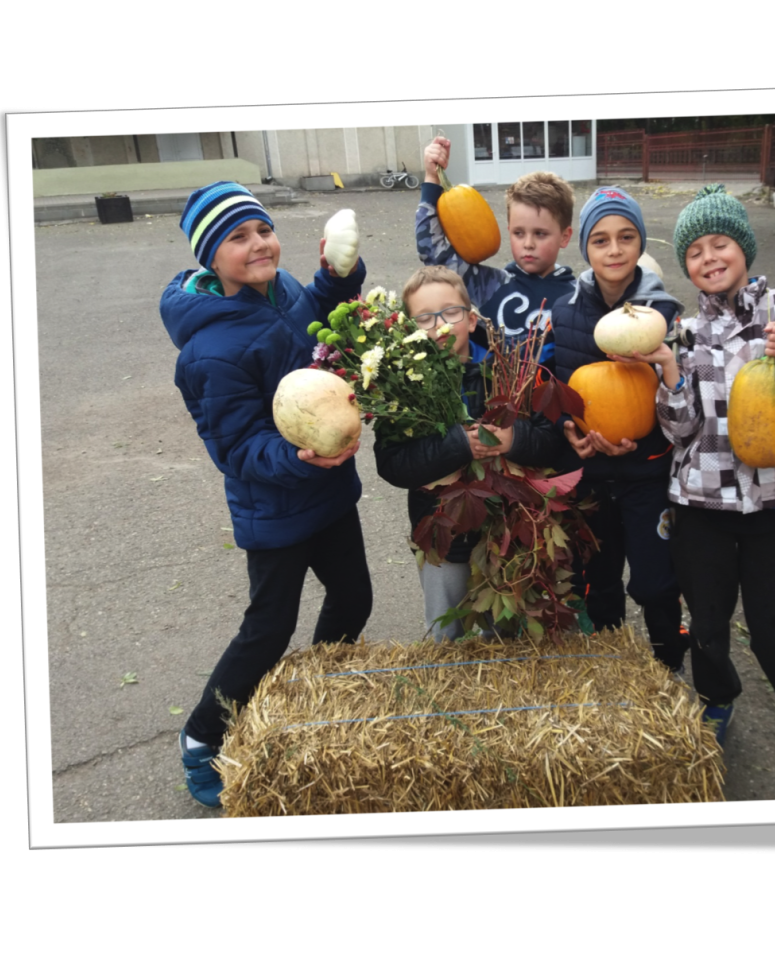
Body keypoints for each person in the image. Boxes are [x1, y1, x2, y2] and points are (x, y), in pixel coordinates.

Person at [614, 183, 775, 768]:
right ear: (687, 268)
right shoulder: (684, 333)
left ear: (744, 248)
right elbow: (680, 430)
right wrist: (669, 372)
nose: (709, 258)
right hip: (702, 505)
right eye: (695, 252)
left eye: (720, 244)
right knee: (709, 619)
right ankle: (717, 697)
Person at [159, 181, 375, 807]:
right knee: (268, 628)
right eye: (237, 237)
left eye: (262, 230)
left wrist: (338, 277)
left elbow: (313, 324)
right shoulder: (209, 350)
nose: (258, 244)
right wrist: (301, 458)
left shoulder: (280, 292)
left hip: (328, 491)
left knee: (355, 597)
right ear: (210, 257)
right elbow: (236, 449)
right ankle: (201, 735)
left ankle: (316, 688)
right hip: (275, 510)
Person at [374, 265, 565, 641]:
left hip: (508, 533)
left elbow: (551, 440)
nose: (439, 326)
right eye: (424, 318)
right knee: (446, 635)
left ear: (472, 319)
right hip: (442, 535)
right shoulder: (402, 390)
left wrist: (515, 440)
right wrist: (460, 445)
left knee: (507, 633)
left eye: (450, 313)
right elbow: (393, 464)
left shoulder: (507, 372)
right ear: (407, 329)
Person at [549, 186, 689, 675]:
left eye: (626, 237)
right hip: (590, 474)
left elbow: (677, 391)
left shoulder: (662, 316)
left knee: (655, 581)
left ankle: (670, 658)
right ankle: (610, 664)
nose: (614, 249)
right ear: (585, 247)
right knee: (597, 577)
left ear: (640, 243)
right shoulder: (564, 312)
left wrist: (646, 437)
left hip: (647, 472)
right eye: (601, 239)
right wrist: (568, 426)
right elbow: (557, 386)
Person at [416, 136, 576, 359]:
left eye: (540, 234)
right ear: (508, 229)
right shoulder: (489, 285)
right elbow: (432, 253)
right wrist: (432, 179)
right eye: (519, 233)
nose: (528, 244)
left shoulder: (577, 297)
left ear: (564, 236)